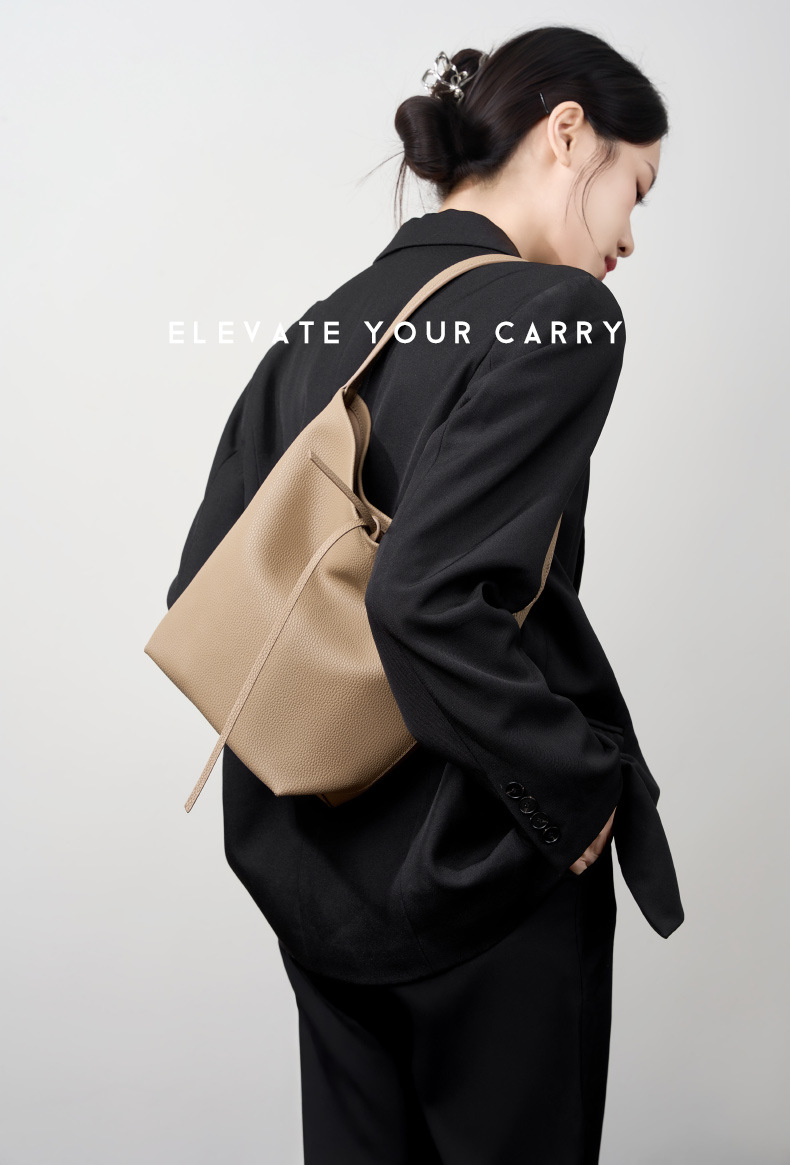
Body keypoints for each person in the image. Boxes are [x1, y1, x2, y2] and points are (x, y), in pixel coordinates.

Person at [164, 25, 685, 1164]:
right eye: (635, 189)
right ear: (566, 134)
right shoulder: (557, 313)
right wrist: (574, 789)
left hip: (318, 895)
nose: (629, 238)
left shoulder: (325, 325)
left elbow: (205, 588)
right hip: (486, 882)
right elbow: (424, 599)